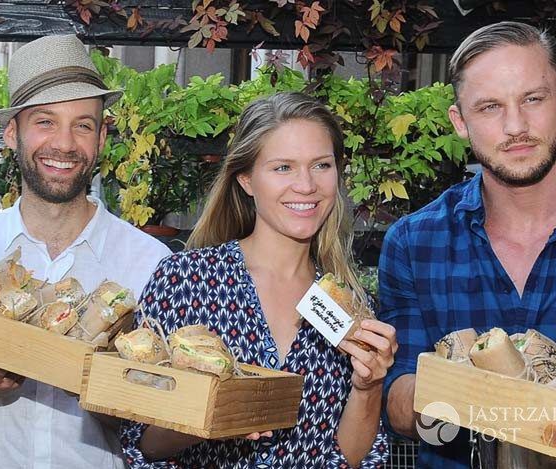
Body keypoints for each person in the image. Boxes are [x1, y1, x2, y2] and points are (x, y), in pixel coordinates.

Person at [0, 34, 171, 468]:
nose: (65, 144)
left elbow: (158, 431)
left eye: (83, 124)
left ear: (102, 137)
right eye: (45, 121)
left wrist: (100, 383)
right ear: (11, 133)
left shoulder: (151, 263)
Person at [120, 92, 395, 468]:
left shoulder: (348, 305)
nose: (306, 185)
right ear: (246, 179)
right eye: (283, 167)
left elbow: (351, 458)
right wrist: (214, 412)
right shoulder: (186, 279)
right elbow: (142, 442)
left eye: (321, 165)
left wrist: (368, 386)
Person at [379, 21, 556, 468]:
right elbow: (396, 401)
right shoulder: (415, 243)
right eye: (489, 107)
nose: (515, 126)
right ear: (460, 122)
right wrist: (463, 396)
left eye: (533, 98)